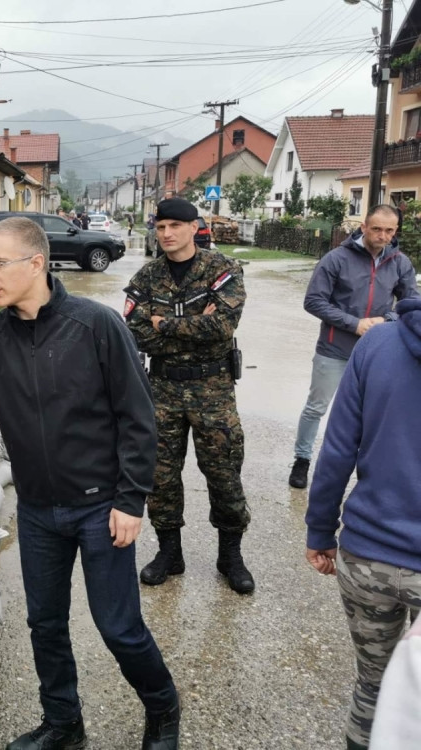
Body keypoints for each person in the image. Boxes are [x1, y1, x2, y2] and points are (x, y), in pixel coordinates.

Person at [0, 217, 180, 750]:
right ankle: (63, 724)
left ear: (37, 263)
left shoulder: (95, 326)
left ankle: (163, 707)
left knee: (118, 627)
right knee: (45, 624)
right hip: (39, 510)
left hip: (101, 508)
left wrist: (131, 498)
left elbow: (138, 417)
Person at [304, 296, 421, 750]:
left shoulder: (376, 345)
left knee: (373, 686)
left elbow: (337, 450)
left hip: (367, 559)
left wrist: (320, 531)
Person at [124, 197, 254, 595]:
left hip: (213, 390)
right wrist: (191, 324)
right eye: (161, 227)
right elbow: (135, 333)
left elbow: (222, 326)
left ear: (194, 227)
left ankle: (230, 556)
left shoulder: (223, 270)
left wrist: (163, 324)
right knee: (160, 475)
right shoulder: (147, 277)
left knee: (224, 473)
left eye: (174, 226)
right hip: (162, 389)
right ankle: (170, 553)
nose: (166, 234)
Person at [288, 204, 417, 489]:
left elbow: (410, 305)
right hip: (334, 349)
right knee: (317, 407)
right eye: (377, 229)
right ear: (363, 227)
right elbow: (313, 301)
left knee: (373, 414)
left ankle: (367, 470)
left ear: (395, 231)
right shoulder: (336, 259)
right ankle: (302, 460)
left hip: (377, 353)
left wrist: (387, 319)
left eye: (389, 230)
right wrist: (354, 323)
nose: (383, 236)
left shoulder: (400, 262)